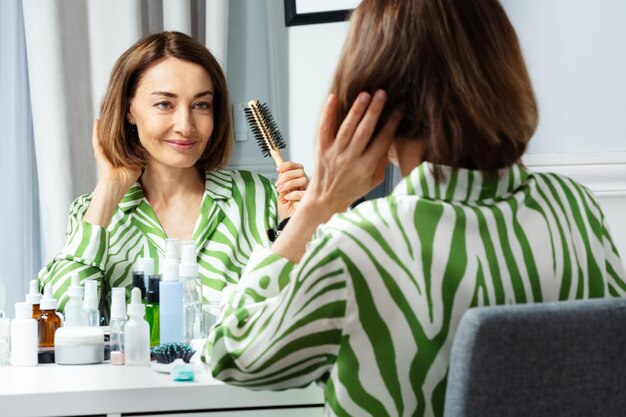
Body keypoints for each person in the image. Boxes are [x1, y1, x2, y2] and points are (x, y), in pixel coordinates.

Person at [204, 0, 626, 416]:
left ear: (371, 100)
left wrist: (316, 208)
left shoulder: (358, 245)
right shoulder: (573, 210)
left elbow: (231, 354)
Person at [37, 31, 308, 320]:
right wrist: (109, 190)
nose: (185, 125)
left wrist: (299, 224)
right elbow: (62, 316)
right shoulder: (92, 212)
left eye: (200, 105)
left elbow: (306, 310)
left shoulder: (261, 197)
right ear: (129, 110)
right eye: (164, 104)